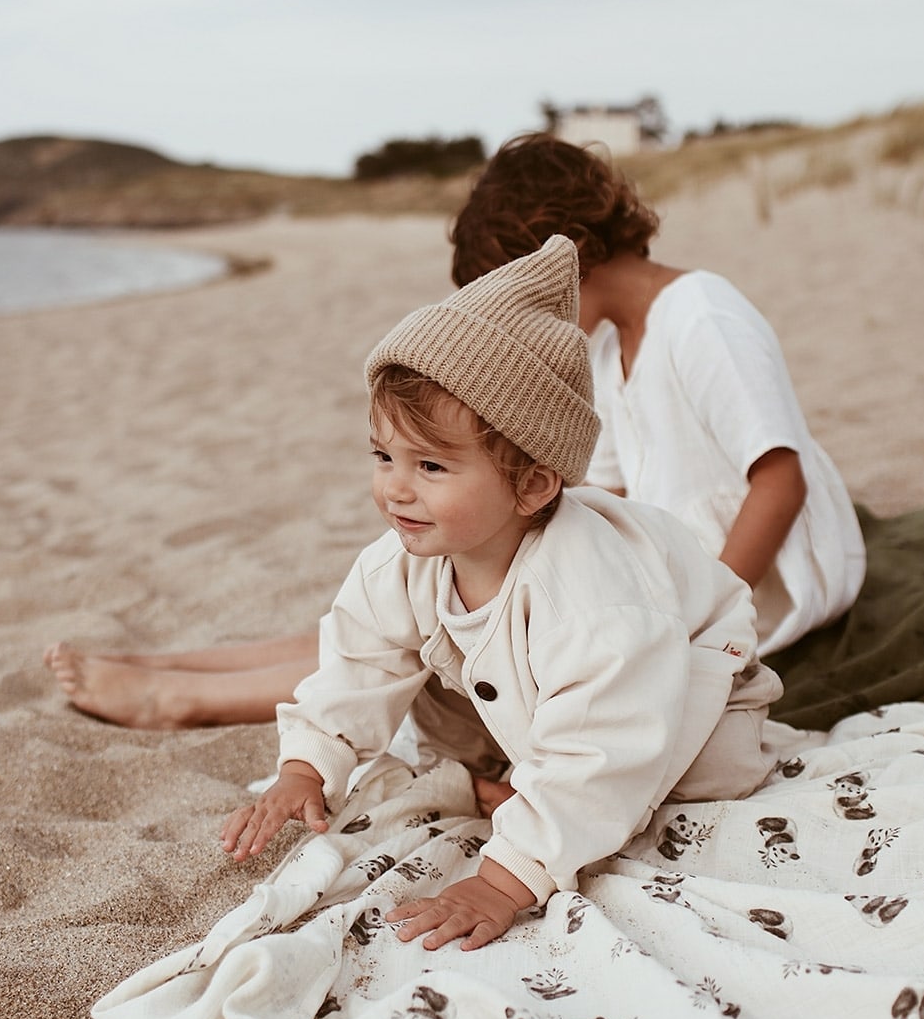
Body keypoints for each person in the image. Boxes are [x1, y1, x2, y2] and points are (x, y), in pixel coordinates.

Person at [44, 132, 862, 726]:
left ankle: (181, 699)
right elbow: (600, 487)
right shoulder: (608, 348)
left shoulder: (702, 314)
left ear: (564, 254)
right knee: (424, 599)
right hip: (661, 570)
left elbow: (779, 478)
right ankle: (170, 666)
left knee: (437, 646)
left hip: (738, 592)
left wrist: (700, 630)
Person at [220, 236, 782, 952]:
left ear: (534, 484)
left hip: (690, 683)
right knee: (420, 679)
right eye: (383, 456)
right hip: (523, 692)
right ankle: (512, 780)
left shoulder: (592, 598)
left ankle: (531, 804)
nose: (396, 487)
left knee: (685, 779)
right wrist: (307, 764)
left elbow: (602, 753)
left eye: (430, 465)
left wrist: (504, 879)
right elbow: (358, 665)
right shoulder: (405, 561)